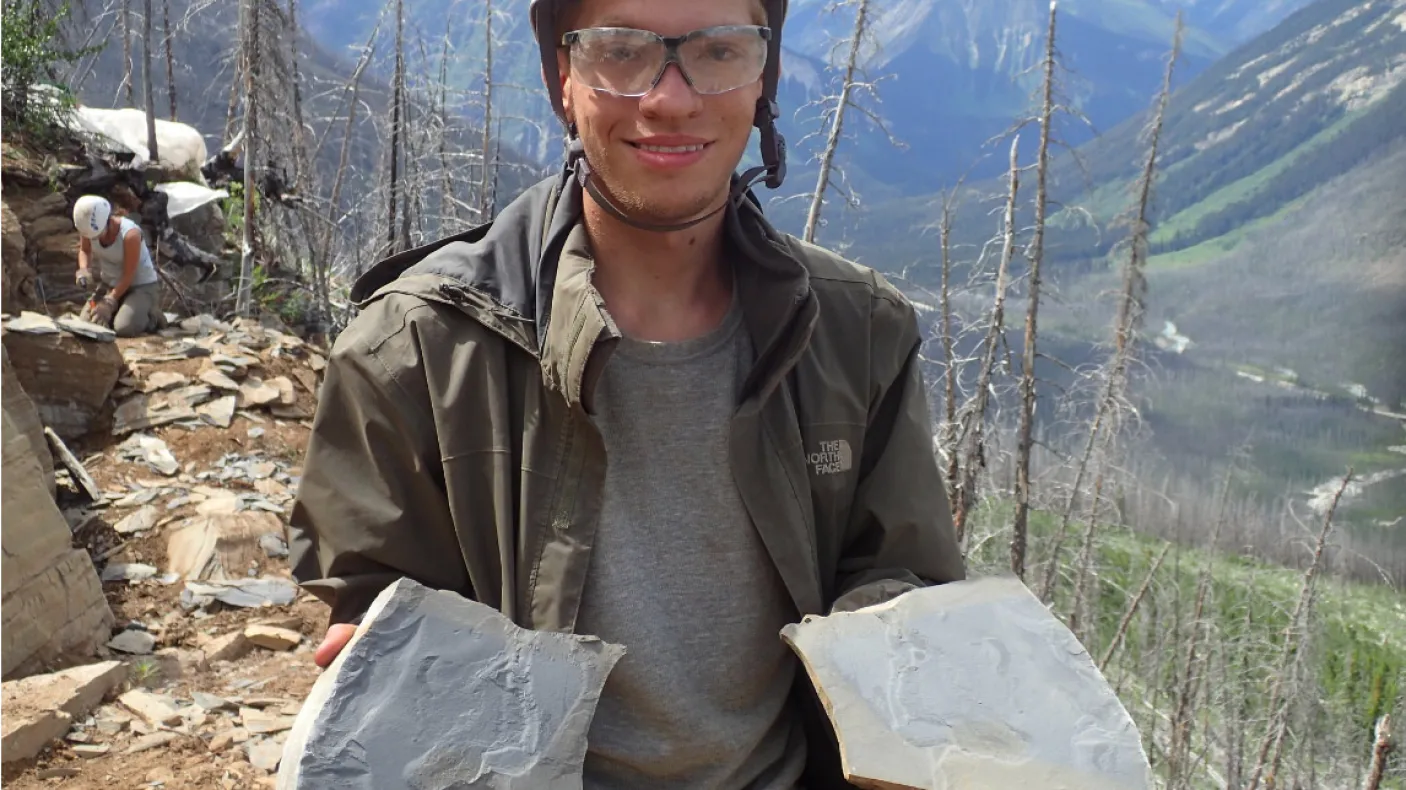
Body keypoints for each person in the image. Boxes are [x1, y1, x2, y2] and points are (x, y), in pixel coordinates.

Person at [287, 0, 964, 787]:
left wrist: (887, 644)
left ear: (764, 79)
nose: (670, 98)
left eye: (719, 51)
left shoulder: (856, 333)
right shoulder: (418, 350)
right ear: (563, 77)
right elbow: (382, 613)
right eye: (620, 50)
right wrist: (380, 650)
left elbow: (900, 573)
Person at [72, 195, 166, 337]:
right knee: (87, 322)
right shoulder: (88, 228)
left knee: (124, 328)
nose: (93, 239)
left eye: (96, 236)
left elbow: (129, 275)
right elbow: (85, 250)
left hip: (140, 286)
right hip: (110, 284)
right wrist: (84, 269)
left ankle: (152, 315)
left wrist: (109, 302)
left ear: (107, 222)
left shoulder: (130, 235)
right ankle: (121, 309)